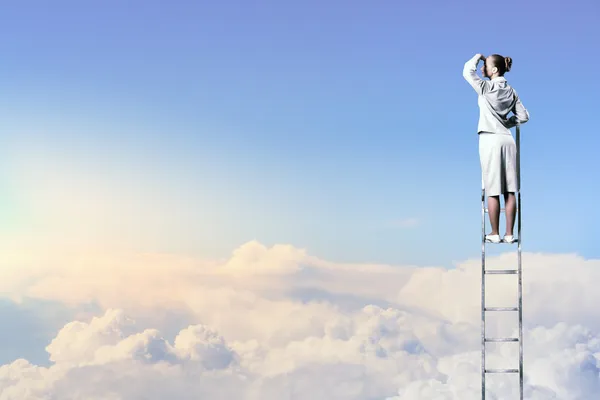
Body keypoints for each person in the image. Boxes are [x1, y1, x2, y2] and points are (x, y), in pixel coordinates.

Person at [463, 53, 530, 243]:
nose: (482, 68)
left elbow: (467, 71)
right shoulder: (511, 91)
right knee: (510, 189)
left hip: (490, 140)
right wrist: (507, 123)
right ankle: (509, 234)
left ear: (494, 70)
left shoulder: (485, 87)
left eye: (485, 66)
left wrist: (478, 56)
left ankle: (494, 233)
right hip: (507, 140)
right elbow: (524, 116)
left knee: (492, 188)